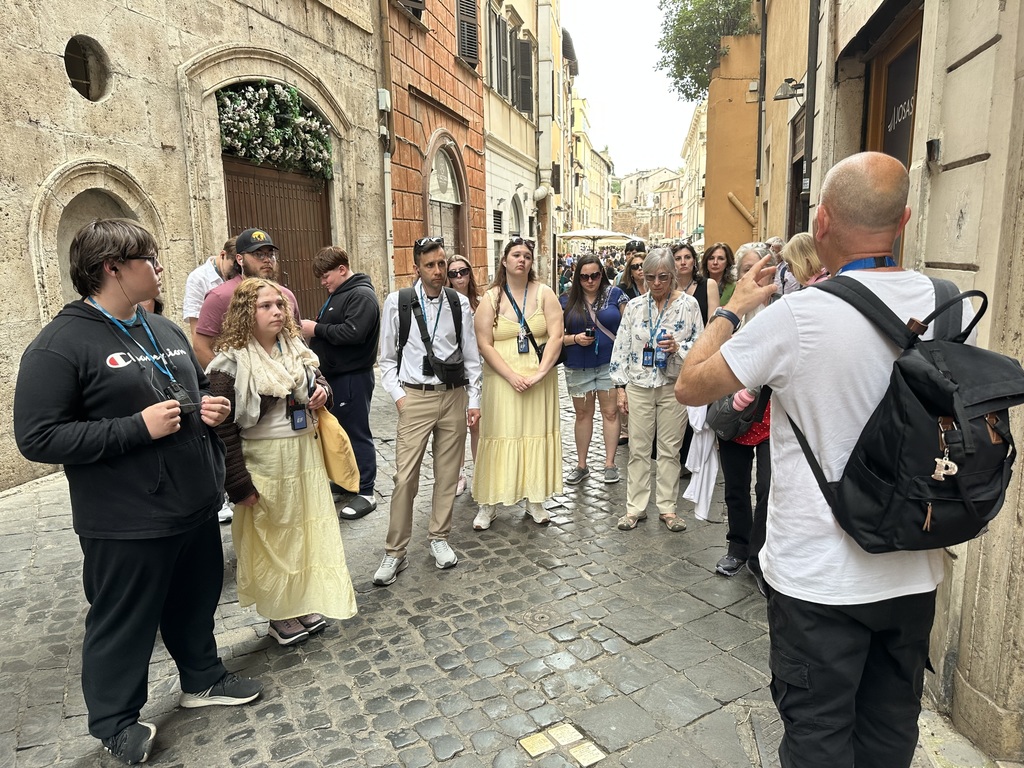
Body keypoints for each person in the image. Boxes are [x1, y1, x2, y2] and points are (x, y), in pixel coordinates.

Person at [676, 152, 967, 768]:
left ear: (824, 222)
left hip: (817, 579)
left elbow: (691, 385)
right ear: (905, 219)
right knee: (890, 736)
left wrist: (733, 305)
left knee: (818, 740)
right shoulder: (949, 304)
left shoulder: (797, 317)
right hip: (913, 566)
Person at [13, 219, 262, 766]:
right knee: (123, 619)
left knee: (195, 600)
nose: (159, 267)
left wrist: (206, 408)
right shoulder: (60, 345)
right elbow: (36, 436)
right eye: (149, 258)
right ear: (112, 268)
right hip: (126, 518)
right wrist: (134, 427)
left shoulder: (161, 328)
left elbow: (189, 393)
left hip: (192, 504)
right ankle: (116, 722)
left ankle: (202, 679)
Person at [208, 278, 357, 646]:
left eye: (279, 305)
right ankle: (279, 613)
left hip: (303, 456)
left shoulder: (296, 350)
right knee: (272, 538)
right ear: (247, 312)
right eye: (266, 306)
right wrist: (238, 484)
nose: (277, 311)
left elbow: (318, 382)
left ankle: (302, 600)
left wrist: (323, 392)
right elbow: (223, 429)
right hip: (265, 461)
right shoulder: (230, 363)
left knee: (304, 531)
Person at [374, 236, 482, 586]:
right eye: (431, 265)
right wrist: (399, 397)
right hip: (415, 398)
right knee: (405, 477)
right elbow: (386, 358)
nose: (439, 271)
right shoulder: (398, 302)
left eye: (442, 264)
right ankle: (394, 552)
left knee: (448, 475)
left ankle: (439, 537)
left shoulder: (459, 303)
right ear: (417, 267)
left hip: (452, 396)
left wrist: (474, 400)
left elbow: (471, 357)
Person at [472, 236, 564, 530]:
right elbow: (484, 344)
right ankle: (489, 503)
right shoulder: (491, 298)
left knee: (534, 434)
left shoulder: (545, 293)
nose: (521, 260)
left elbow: (556, 336)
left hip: (539, 379)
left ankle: (534, 498)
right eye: (515, 255)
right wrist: (511, 376)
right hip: (501, 380)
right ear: (504, 260)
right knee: (500, 434)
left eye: (526, 255)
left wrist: (540, 372)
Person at [609, 246, 702, 533]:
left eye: (663, 276)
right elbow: (621, 346)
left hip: (673, 386)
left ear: (673, 275)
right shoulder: (636, 307)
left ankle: (667, 508)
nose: (656, 283)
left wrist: (679, 348)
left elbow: (701, 346)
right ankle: (634, 508)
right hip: (639, 384)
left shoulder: (689, 306)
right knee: (638, 448)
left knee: (670, 450)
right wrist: (620, 388)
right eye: (650, 277)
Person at [300, 246, 381, 520]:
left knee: (356, 432)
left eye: (325, 276)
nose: (323, 282)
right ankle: (349, 482)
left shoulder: (361, 295)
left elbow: (353, 333)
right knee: (340, 432)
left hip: (352, 377)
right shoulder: (342, 293)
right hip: (339, 376)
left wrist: (315, 329)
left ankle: (367, 492)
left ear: (342, 270)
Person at [713, 243, 774, 579]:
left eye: (761, 268)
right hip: (736, 409)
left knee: (767, 486)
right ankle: (737, 546)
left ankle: (761, 553)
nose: (755, 275)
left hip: (771, 411)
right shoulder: (729, 311)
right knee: (735, 485)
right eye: (748, 268)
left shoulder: (784, 308)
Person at [560, 254, 628, 486]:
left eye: (595, 275)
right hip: (578, 365)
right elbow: (556, 337)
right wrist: (574, 338)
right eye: (585, 277)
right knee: (582, 415)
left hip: (610, 363)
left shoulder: (616, 295)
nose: (590, 281)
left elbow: (628, 327)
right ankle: (581, 465)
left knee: (610, 413)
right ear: (577, 277)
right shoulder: (566, 300)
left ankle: (609, 463)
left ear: (602, 274)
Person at [193, 228, 302, 369]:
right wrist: (230, 380)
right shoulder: (220, 297)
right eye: (259, 254)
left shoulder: (287, 296)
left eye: (271, 254)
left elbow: (298, 341)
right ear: (240, 259)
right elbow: (200, 347)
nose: (267, 260)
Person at [446, 254, 481, 496]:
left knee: (478, 424)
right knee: (457, 427)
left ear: (470, 273)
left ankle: (480, 472)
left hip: (480, 368)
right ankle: (459, 474)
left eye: (463, 271)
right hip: (455, 371)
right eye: (453, 273)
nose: (459, 276)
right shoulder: (445, 304)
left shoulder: (481, 302)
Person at [183, 238, 237, 337]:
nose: (236, 273)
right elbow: (196, 330)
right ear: (222, 255)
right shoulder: (198, 278)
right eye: (233, 267)